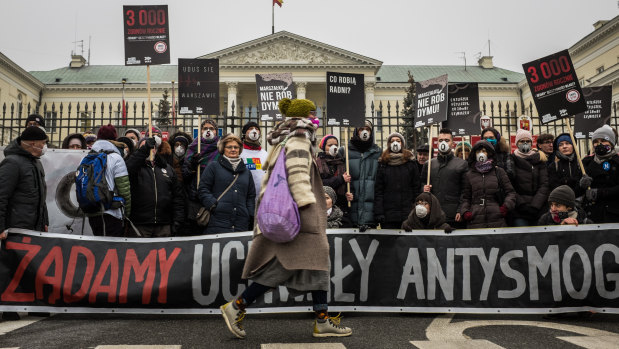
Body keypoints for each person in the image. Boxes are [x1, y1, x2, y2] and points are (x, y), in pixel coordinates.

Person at [220, 98, 352, 339]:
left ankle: (321, 319)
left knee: (315, 265)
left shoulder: (284, 140)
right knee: (286, 266)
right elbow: (298, 175)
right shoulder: (300, 139)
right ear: (305, 117)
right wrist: (307, 205)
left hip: (289, 213)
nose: (317, 119)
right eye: (314, 114)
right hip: (301, 215)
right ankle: (237, 306)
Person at [0, 126, 49, 321]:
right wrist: (1, 226)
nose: (45, 146)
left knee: (33, 266)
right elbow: (1, 196)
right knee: (11, 267)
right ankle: (8, 306)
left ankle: (33, 304)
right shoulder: (12, 163)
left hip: (34, 226)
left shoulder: (36, 163)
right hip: (16, 225)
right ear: (33, 144)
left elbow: (41, 197)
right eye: (43, 143)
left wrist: (44, 221)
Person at [125, 137, 185, 237]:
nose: (149, 149)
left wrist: (177, 221)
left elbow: (177, 197)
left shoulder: (167, 169)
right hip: (140, 225)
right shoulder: (135, 168)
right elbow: (129, 168)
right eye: (144, 147)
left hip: (164, 224)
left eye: (151, 146)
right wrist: (144, 151)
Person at [198, 134, 255, 234]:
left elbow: (250, 196)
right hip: (217, 222)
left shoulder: (246, 172)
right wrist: (213, 205)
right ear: (223, 149)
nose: (233, 149)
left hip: (240, 223)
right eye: (229, 147)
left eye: (236, 147)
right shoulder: (213, 167)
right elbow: (203, 189)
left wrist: (249, 213)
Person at [460, 140, 516, 229]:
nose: (481, 154)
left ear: (489, 153)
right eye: (478, 151)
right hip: (475, 221)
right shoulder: (469, 175)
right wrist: (465, 212)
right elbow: (465, 198)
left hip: (497, 220)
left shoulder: (499, 172)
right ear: (474, 154)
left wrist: (505, 207)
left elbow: (511, 193)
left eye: (484, 151)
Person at [88, 124, 132, 237]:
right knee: (112, 251)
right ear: (114, 139)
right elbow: (124, 190)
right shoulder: (116, 158)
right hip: (112, 213)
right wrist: (127, 214)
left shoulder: (87, 157)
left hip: (92, 212)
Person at [339, 120, 381, 231]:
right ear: (356, 131)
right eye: (361, 129)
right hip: (350, 208)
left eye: (367, 129)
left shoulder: (378, 152)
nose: (364, 132)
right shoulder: (344, 151)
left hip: (370, 212)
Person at [421, 128, 468, 228]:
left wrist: (461, 210)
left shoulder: (462, 164)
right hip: (433, 215)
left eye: (447, 140)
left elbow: (465, 191)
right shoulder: (429, 164)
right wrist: (423, 188)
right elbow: (421, 184)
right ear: (437, 143)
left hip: (453, 215)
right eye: (441, 140)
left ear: (452, 143)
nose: (443, 143)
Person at [375, 132, 420, 229]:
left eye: (398, 141)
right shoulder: (383, 163)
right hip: (388, 215)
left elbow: (416, 187)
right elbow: (379, 190)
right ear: (389, 144)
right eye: (392, 141)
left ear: (402, 144)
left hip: (408, 214)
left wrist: (415, 208)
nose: (395, 143)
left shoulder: (410, 162)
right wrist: (379, 212)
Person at [183, 118, 220, 234]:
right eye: (205, 128)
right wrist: (192, 167)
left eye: (211, 128)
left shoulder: (221, 149)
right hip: (195, 199)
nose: (208, 131)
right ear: (200, 131)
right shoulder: (193, 148)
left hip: (214, 197)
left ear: (216, 132)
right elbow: (185, 175)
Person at [506, 129, 549, 226]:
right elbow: (510, 186)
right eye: (522, 141)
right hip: (519, 211)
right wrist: (521, 205)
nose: (525, 143)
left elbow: (544, 185)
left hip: (538, 210)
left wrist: (535, 206)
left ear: (531, 143)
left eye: (528, 141)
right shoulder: (511, 160)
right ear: (517, 143)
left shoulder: (539, 160)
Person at [579, 125, 619, 223]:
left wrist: (600, 192)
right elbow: (576, 190)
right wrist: (581, 184)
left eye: (603, 141)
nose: (599, 144)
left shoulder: (617, 161)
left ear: (612, 143)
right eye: (596, 142)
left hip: (612, 213)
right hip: (591, 214)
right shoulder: (586, 161)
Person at [315, 134, 352, 210]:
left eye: (336, 145)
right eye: (330, 145)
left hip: (340, 205)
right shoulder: (317, 163)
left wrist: (348, 195)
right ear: (324, 147)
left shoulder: (342, 162)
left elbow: (348, 184)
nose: (334, 147)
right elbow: (319, 183)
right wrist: (341, 179)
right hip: (324, 204)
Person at [239, 121, 268, 199]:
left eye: (256, 129)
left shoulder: (264, 153)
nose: (254, 131)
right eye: (251, 128)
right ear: (244, 133)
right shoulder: (239, 152)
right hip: (244, 197)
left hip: (262, 197)